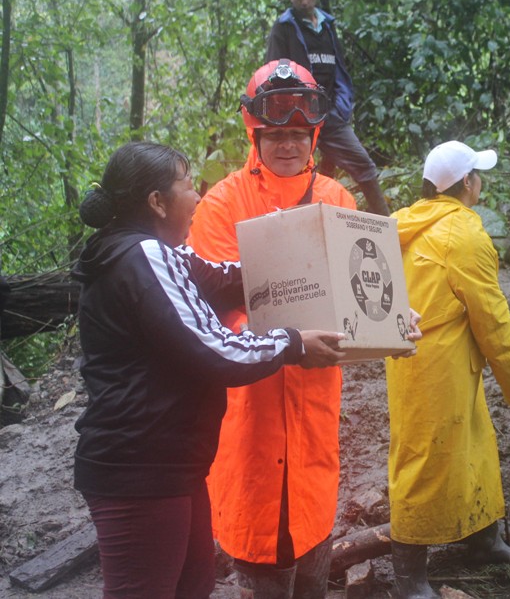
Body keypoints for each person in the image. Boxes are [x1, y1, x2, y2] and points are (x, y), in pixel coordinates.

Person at [72, 142, 347, 598]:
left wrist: (319, 273)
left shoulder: (160, 254)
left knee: (192, 585)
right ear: (157, 203)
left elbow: (226, 278)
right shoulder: (142, 256)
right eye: (186, 186)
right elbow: (214, 350)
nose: (197, 198)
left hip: (173, 462)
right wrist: (294, 343)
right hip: (140, 467)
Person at [187, 59, 413, 598]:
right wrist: (286, 345)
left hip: (315, 404)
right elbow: (212, 310)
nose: (287, 144)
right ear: (255, 135)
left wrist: (390, 321)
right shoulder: (221, 205)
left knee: (312, 540)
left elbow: (363, 281)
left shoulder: (338, 198)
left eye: (297, 133)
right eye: (275, 134)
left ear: (313, 135)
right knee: (258, 549)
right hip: (250, 410)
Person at [386, 141, 510, 598]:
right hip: (439, 366)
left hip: (418, 359)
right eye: (478, 175)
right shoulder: (464, 234)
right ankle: (409, 576)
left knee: (473, 445)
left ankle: (483, 538)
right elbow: (491, 316)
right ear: (467, 183)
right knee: (424, 459)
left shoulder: (406, 222)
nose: (480, 182)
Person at [265, 0, 389, 216]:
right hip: (300, 116)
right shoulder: (284, 28)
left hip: (331, 113)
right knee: (299, 176)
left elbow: (339, 66)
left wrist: (343, 105)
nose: (303, 1)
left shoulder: (327, 25)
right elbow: (273, 69)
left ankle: (388, 228)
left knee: (363, 166)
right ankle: (298, 231)